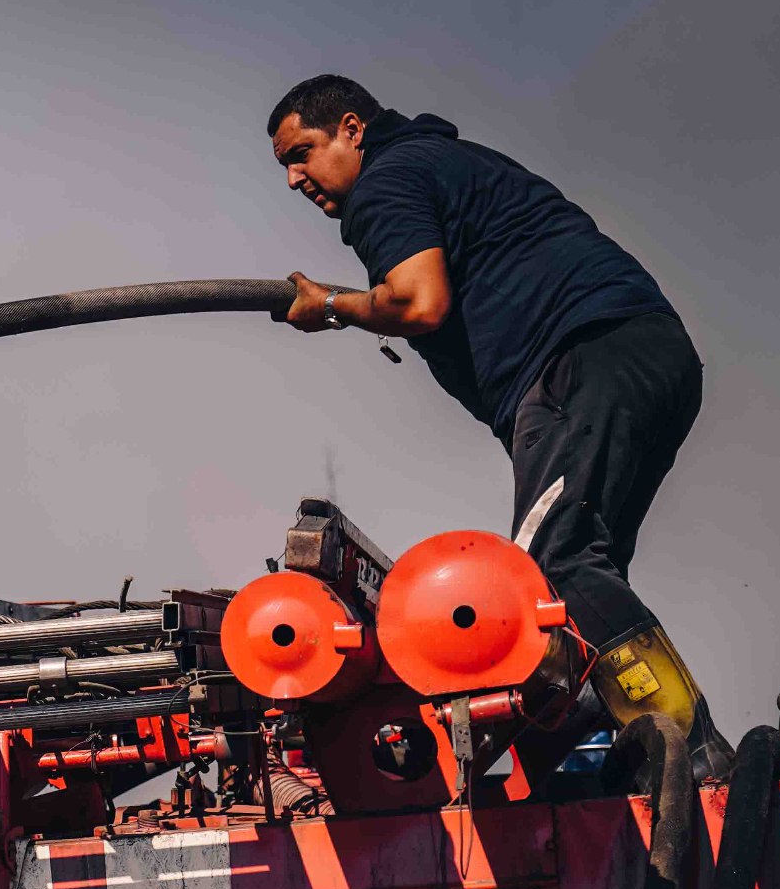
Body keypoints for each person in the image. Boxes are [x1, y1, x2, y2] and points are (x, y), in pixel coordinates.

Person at [265, 74, 731, 775]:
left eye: (303, 152)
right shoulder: (444, 162)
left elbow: (419, 303)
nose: (297, 178)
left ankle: (689, 754)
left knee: (554, 571)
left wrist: (332, 304)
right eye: (286, 167)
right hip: (643, 354)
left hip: (581, 358)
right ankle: (602, 755)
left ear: (353, 129)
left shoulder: (384, 184)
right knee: (581, 586)